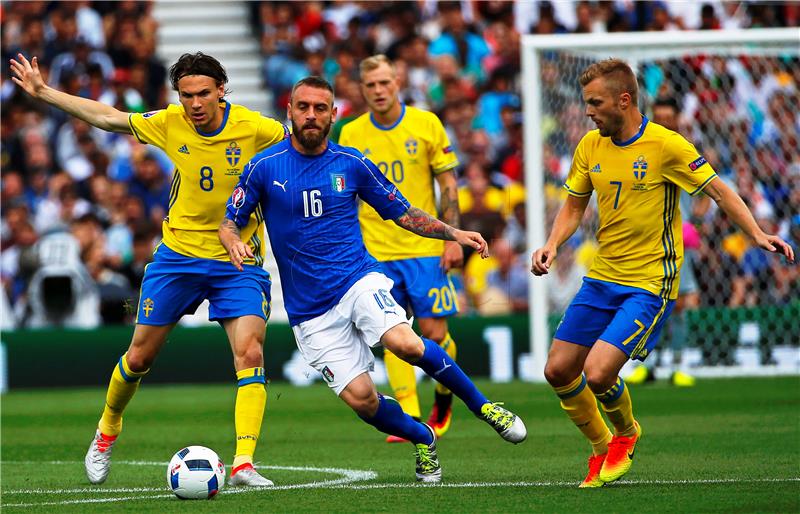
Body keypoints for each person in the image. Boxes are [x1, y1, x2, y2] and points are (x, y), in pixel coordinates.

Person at [219, 76, 526, 483]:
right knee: (364, 402)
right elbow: (229, 222)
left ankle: (484, 406)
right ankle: (424, 437)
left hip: (357, 279)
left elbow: (404, 212)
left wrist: (454, 232)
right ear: (289, 111)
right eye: (303, 107)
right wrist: (233, 243)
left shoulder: (352, 164)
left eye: (320, 108)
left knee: (405, 343)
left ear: (334, 114)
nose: (311, 115)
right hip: (310, 311)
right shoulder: (264, 167)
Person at [10, 52, 287, 487]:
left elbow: (302, 153)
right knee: (139, 356)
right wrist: (44, 92)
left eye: (203, 94)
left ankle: (245, 462)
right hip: (177, 256)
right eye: (186, 95)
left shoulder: (257, 128)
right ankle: (106, 431)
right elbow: (108, 118)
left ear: (221, 92)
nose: (194, 104)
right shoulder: (170, 121)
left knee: (250, 353)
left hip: (238, 260)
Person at [530, 58, 794, 489]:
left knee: (598, 373)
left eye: (595, 103)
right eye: (586, 103)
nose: (588, 111)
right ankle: (600, 447)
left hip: (650, 283)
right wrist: (552, 244)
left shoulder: (667, 145)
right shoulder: (589, 146)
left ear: (624, 99)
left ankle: (627, 433)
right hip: (601, 278)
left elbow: (719, 190)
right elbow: (575, 206)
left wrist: (756, 233)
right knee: (558, 370)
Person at [338, 55, 461, 443]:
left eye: (384, 83)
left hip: (424, 249)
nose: (378, 91)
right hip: (374, 254)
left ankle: (443, 396)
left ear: (398, 81)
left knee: (435, 334)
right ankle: (409, 415)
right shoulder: (352, 133)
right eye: (370, 84)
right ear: (362, 88)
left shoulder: (426, 124)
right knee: (391, 329)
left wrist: (452, 237)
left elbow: (449, 184)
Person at [626, 96, 707, 387]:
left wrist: (693, 222)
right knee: (648, 301)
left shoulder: (682, 149)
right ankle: (649, 363)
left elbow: (708, 191)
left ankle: (680, 363)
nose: (662, 121)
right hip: (647, 238)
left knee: (680, 303)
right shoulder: (644, 148)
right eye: (658, 116)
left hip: (676, 239)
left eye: (667, 117)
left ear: (676, 119)